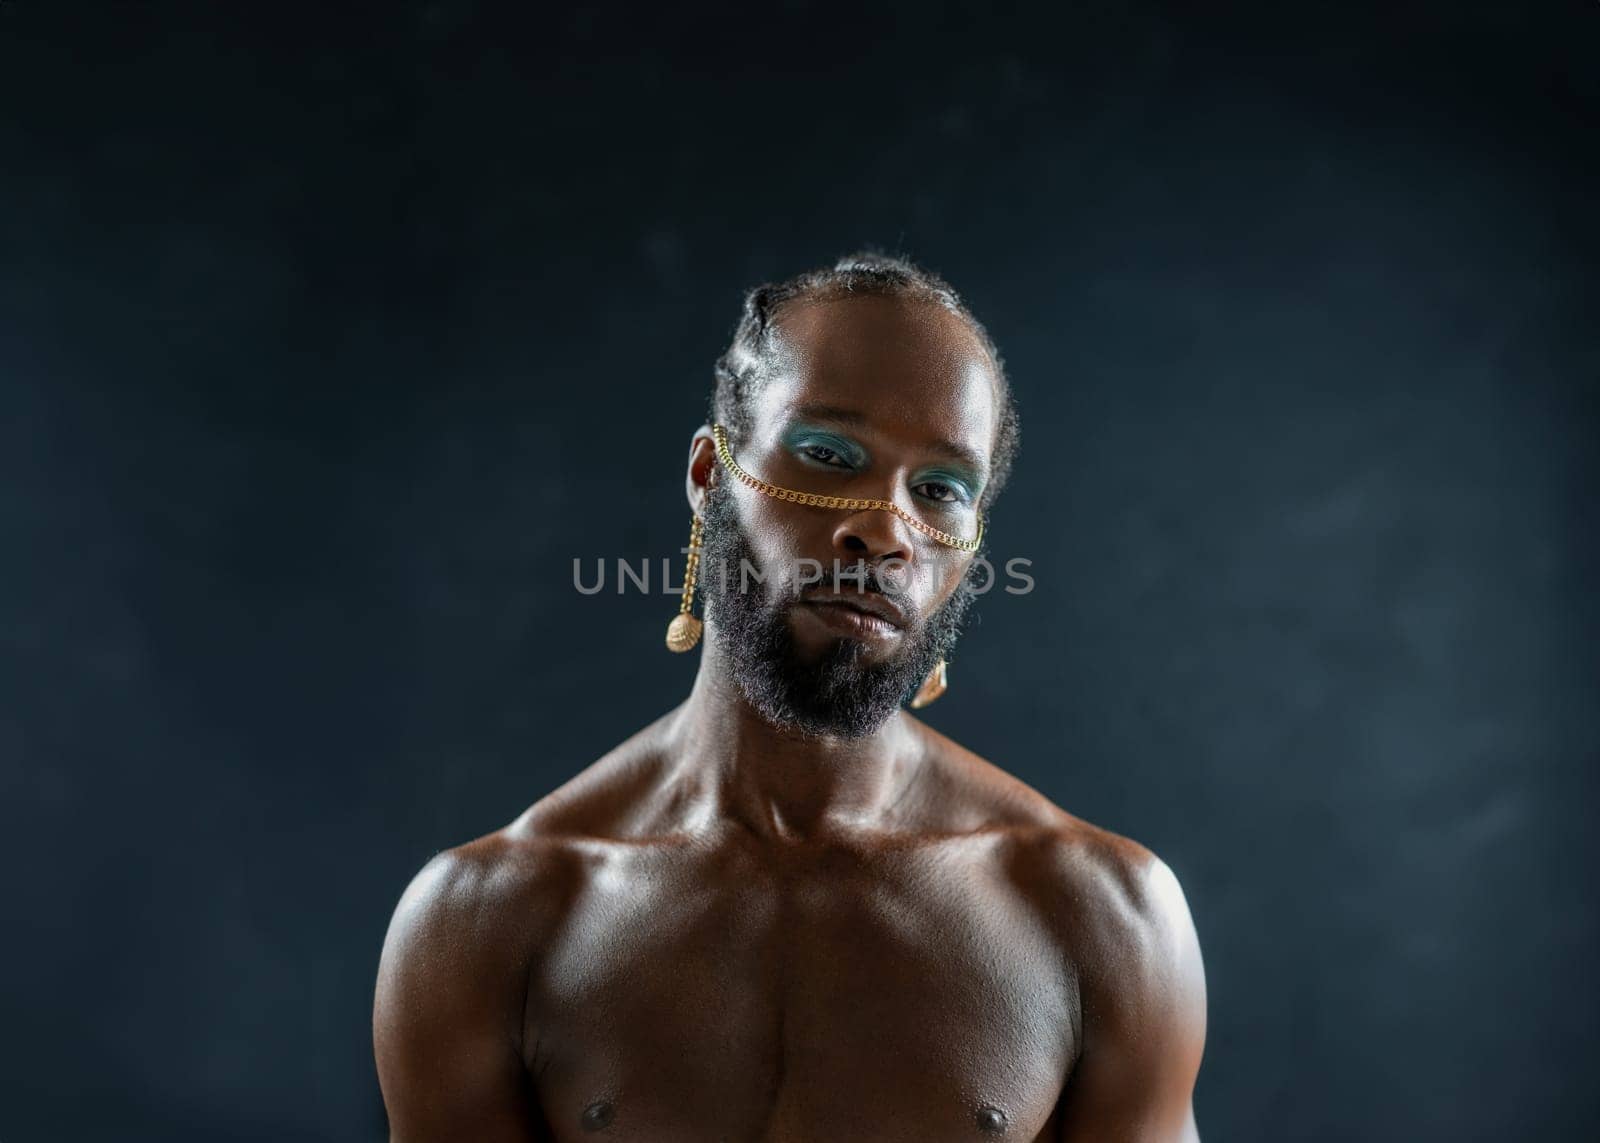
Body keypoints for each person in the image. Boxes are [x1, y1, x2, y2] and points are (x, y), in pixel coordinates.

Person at [373, 252, 1208, 1141]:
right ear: (708, 477)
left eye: (940, 488)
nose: (885, 529)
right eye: (826, 454)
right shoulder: (487, 920)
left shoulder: (1104, 916)